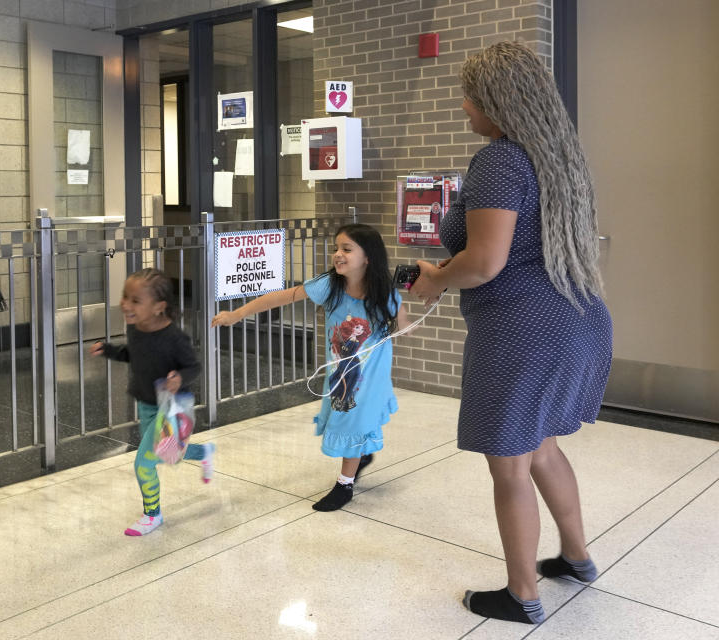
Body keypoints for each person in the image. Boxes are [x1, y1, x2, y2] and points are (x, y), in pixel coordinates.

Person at [410, 42, 613, 625]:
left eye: (470, 98)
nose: (464, 109)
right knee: (543, 447)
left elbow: (484, 262)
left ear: (497, 102)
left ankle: (522, 594)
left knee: (509, 465)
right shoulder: (558, 158)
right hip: (576, 319)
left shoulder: (500, 160)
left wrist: (436, 281)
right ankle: (576, 558)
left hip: (522, 331)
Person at [213, 223, 408, 512]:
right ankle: (361, 454)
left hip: (370, 375)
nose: (338, 254)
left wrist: (420, 293)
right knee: (346, 417)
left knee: (350, 419)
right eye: (336, 248)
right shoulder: (329, 285)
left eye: (347, 249)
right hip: (340, 371)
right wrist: (238, 313)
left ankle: (344, 485)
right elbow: (281, 296)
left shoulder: (384, 296)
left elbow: (406, 327)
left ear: (368, 257)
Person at [91, 268, 215, 536]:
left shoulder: (175, 338)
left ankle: (152, 515)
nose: (126, 304)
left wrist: (179, 377)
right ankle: (205, 453)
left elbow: (194, 366)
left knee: (144, 463)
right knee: (169, 454)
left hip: (172, 408)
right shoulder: (136, 328)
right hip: (147, 404)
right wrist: (109, 350)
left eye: (135, 300)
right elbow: (132, 354)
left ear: (159, 307)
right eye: (126, 297)